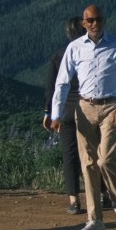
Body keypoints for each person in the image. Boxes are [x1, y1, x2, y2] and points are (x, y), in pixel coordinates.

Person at [49, 5, 116, 230]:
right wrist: (56, 114)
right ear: (83, 23)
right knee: (88, 163)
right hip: (85, 107)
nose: (95, 24)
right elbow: (62, 82)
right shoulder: (74, 48)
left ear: (104, 21)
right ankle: (95, 220)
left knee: (104, 160)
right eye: (90, 21)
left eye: (98, 19)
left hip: (112, 108)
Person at [43, 16, 85, 217]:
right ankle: (104, 195)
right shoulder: (90, 55)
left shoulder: (58, 56)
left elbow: (52, 89)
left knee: (70, 157)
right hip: (87, 110)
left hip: (66, 112)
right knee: (93, 154)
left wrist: (49, 113)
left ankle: (74, 201)